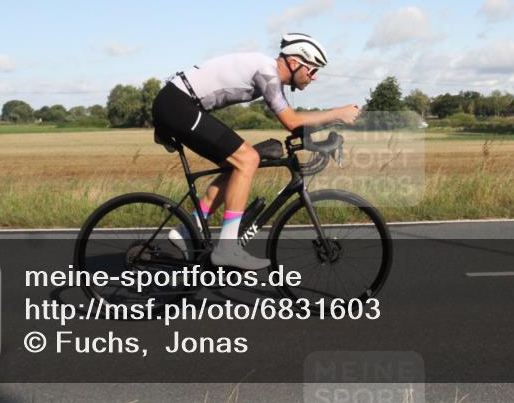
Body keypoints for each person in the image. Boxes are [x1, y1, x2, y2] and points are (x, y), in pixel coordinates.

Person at [151, 33, 361, 270]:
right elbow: (292, 122)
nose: (314, 77)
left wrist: (323, 137)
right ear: (294, 63)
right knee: (247, 159)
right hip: (177, 105)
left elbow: (298, 124)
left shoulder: (269, 75)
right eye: (312, 70)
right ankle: (227, 248)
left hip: (179, 104)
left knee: (237, 165)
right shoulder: (267, 73)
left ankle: (188, 228)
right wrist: (337, 113)